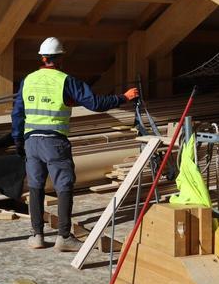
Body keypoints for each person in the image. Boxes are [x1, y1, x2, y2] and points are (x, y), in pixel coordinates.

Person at [11, 36, 139, 251]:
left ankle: (37, 236)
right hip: (54, 142)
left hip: (31, 141)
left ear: (42, 58)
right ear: (60, 58)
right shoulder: (66, 81)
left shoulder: (28, 80)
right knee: (63, 186)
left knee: (35, 185)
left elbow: (17, 113)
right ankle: (63, 237)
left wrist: (17, 140)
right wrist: (124, 98)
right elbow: (95, 103)